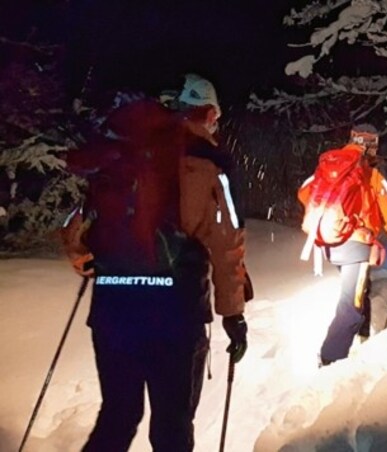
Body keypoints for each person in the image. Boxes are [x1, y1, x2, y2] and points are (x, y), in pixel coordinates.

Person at [60, 73, 250, 451]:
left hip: (113, 311)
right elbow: (227, 241)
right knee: (172, 424)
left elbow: (73, 228)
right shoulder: (206, 163)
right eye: (215, 117)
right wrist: (233, 313)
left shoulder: (124, 154)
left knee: (118, 415)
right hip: (176, 314)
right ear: (208, 112)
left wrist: (91, 261)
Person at [298, 123, 387, 366]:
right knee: (352, 304)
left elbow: (304, 192)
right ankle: (331, 359)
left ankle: (362, 337)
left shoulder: (331, 166)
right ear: (372, 145)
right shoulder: (371, 175)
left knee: (360, 290)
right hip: (356, 244)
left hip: (331, 241)